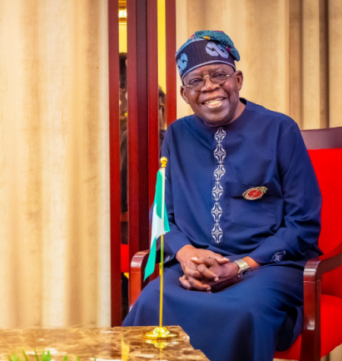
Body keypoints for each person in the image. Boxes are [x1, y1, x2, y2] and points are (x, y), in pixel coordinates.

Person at [123, 31, 322, 361]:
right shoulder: (177, 135)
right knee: (150, 303)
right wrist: (185, 254)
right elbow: (164, 212)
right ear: (186, 94)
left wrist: (242, 266)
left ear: (238, 79)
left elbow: (303, 224)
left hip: (266, 265)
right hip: (197, 265)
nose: (210, 87)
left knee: (243, 311)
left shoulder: (280, 130)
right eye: (196, 80)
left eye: (219, 74)